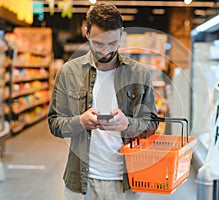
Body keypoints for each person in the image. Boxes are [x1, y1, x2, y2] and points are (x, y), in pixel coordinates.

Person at [47, 2, 158, 200]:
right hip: (80, 183)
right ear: (86, 32)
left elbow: (151, 123)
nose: (106, 51)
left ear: (121, 34)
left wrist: (128, 124)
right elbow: (54, 123)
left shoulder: (139, 73)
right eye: (98, 43)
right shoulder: (68, 72)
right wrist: (80, 122)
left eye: (113, 43)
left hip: (126, 183)